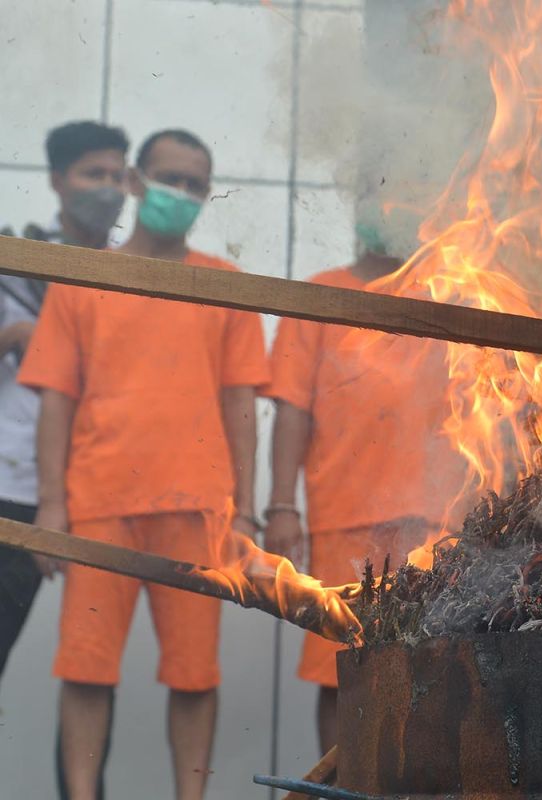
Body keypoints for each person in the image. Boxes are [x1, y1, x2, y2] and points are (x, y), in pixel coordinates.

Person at [19, 129, 269, 800]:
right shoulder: (84, 276)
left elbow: (241, 406)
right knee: (86, 668)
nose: (181, 195)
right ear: (135, 180)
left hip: (199, 511)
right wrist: (51, 505)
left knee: (194, 675)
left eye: (195, 185)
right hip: (98, 506)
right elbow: (56, 402)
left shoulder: (226, 285)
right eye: (169, 179)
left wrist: (245, 510)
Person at [264, 207, 461, 753]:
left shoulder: (454, 292)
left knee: (434, 668)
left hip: (434, 521)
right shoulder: (317, 294)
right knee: (341, 671)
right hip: (343, 517)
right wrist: (282, 506)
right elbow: (291, 411)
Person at [0, 121, 129, 685]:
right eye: (91, 173)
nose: (107, 187)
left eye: (117, 175)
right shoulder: (14, 259)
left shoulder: (134, 271)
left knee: (89, 669)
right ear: (57, 180)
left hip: (99, 494)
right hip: (15, 487)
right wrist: (12, 337)